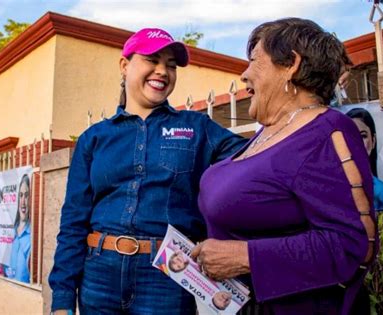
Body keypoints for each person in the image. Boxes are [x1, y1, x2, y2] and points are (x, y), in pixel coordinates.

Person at [48, 28, 246, 315]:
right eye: (152, 60)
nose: (162, 71)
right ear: (125, 66)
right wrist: (63, 299)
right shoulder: (94, 138)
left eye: (171, 65)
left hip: (167, 275)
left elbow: (255, 160)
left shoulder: (197, 128)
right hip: (99, 275)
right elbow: (73, 221)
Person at [192, 18, 377, 314]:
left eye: (254, 61)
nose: (244, 74)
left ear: (291, 63)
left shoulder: (327, 131)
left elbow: (351, 245)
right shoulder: (266, 133)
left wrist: (246, 256)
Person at [346, 108, 383, 211]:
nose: (357, 142)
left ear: (373, 140)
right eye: (350, 136)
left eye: (363, 136)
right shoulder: (334, 186)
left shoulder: (381, 190)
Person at [7, 173, 31, 283]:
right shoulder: (12, 231)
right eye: (20, 195)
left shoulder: (32, 235)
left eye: (26, 196)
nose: (23, 202)